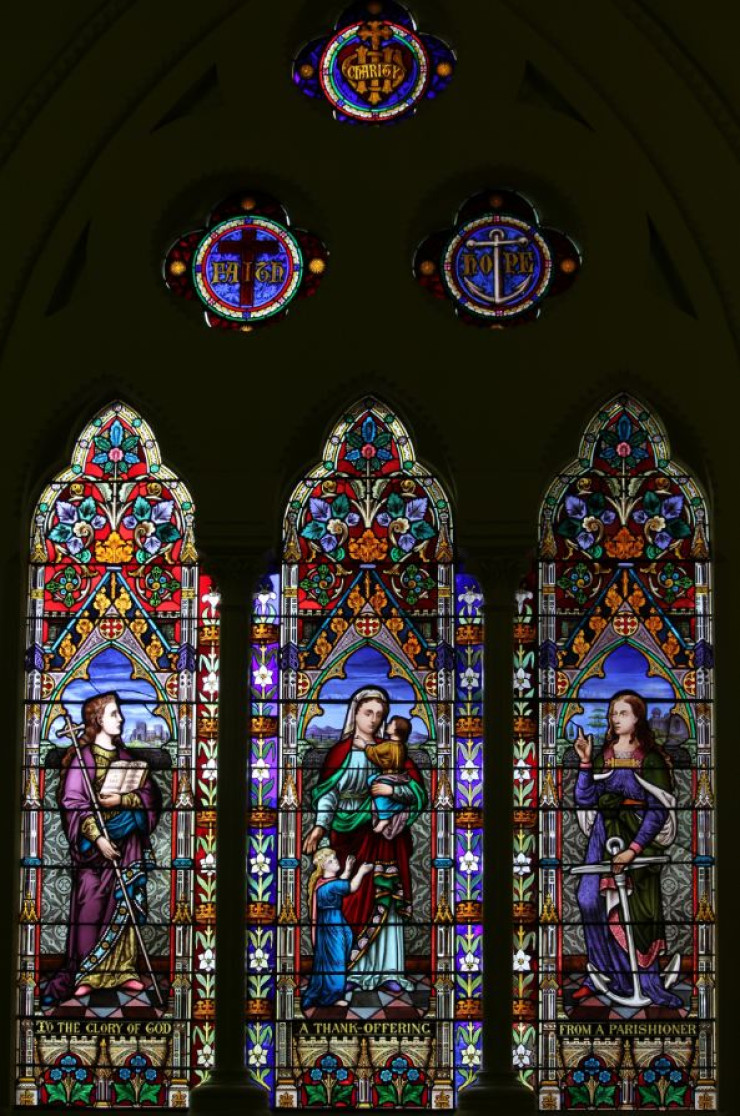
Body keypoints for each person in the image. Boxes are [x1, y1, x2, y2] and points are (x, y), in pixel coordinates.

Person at [302, 687, 426, 994]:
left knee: (385, 900)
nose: (373, 720)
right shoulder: (340, 752)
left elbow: (418, 793)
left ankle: (388, 971)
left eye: (380, 715)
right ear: (355, 713)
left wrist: (393, 792)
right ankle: (349, 972)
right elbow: (329, 792)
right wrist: (319, 826)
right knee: (349, 900)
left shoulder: (391, 753)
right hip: (346, 834)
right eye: (368, 713)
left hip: (382, 837)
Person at [43, 692, 161, 1005]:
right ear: (97, 720)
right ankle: (86, 973)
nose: (120, 719)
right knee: (91, 906)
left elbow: (150, 798)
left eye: (120, 714)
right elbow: (74, 805)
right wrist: (99, 839)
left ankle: (123, 970)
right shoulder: (83, 760)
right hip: (94, 851)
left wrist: (123, 800)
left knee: (126, 907)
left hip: (127, 845)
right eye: (114, 714)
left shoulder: (127, 758)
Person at [573, 689, 682, 1009]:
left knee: (634, 913)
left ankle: (644, 982)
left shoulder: (651, 759)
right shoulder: (603, 755)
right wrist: (583, 763)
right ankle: (611, 976)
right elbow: (584, 799)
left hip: (638, 842)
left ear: (638, 718)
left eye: (622, 713)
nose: (614, 718)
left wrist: (632, 851)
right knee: (589, 899)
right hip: (604, 839)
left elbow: (658, 809)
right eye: (611, 713)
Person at [302, 850, 374, 1010]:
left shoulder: (323, 882)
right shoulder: (331, 885)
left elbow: (339, 882)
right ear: (324, 866)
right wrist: (361, 871)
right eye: (331, 860)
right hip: (332, 925)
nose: (335, 860)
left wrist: (348, 869)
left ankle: (327, 992)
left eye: (335, 857)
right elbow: (351, 887)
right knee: (336, 961)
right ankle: (332, 997)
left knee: (329, 960)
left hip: (329, 923)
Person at [366, 715, 412, 836]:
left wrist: (365, 746)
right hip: (399, 777)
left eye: (391, 724)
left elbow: (374, 752)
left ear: (396, 730)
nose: (388, 725)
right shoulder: (402, 746)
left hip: (388, 777)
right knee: (373, 780)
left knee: (376, 787)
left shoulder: (388, 745)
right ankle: (396, 805)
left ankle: (384, 817)